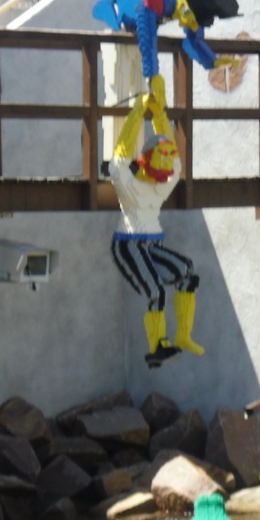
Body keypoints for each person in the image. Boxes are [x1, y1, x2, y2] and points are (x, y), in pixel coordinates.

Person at [108, 75, 203, 369]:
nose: (166, 162)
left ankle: (183, 334)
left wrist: (159, 113)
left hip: (152, 245)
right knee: (156, 291)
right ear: (148, 160)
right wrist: (139, 111)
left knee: (187, 272)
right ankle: (157, 345)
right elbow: (120, 153)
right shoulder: (129, 183)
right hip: (128, 245)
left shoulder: (161, 184)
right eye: (160, 157)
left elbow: (174, 158)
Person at [92, 0, 239, 86]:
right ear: (185, 8)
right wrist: (153, 75)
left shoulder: (192, 6)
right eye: (195, 21)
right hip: (117, 11)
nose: (195, 25)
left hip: (140, 19)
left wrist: (212, 61)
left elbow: (193, 40)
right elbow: (147, 39)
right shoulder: (154, 0)